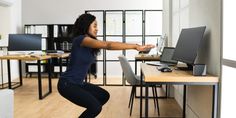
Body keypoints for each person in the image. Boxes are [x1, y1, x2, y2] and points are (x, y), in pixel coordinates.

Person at [57, 13, 154, 118]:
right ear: (86, 26)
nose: (97, 29)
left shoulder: (88, 42)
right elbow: (108, 45)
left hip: (78, 83)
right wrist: (136, 46)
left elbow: (107, 45)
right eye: (94, 25)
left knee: (103, 96)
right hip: (67, 84)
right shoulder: (81, 39)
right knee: (95, 107)